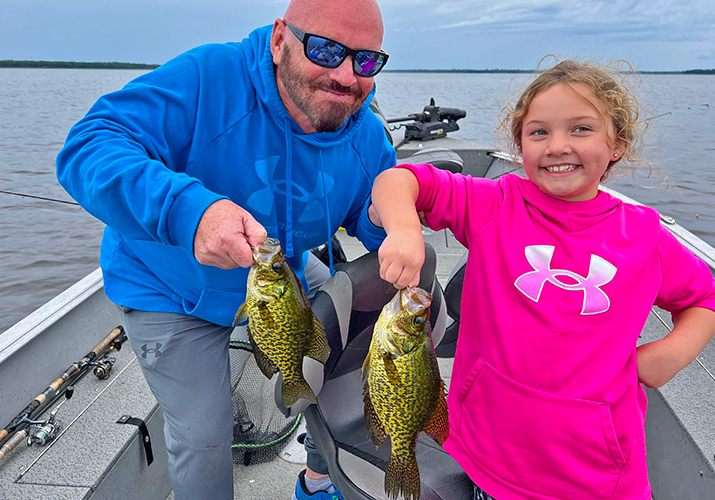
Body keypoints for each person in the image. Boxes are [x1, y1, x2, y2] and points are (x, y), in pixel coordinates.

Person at [56, 1, 394, 499]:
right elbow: (88, 145)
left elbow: (368, 213)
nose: (346, 76)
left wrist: (390, 219)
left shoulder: (363, 132)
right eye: (326, 50)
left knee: (352, 352)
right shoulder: (208, 79)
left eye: (366, 61)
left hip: (278, 279)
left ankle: (320, 478)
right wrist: (189, 213)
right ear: (281, 40)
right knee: (204, 436)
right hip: (170, 288)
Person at [369, 59, 715, 500]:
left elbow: (703, 297)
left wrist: (671, 354)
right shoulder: (494, 204)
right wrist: (403, 229)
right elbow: (401, 179)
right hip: (491, 457)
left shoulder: (646, 237)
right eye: (538, 132)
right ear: (519, 144)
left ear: (617, 144)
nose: (557, 146)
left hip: (600, 475)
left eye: (581, 129)